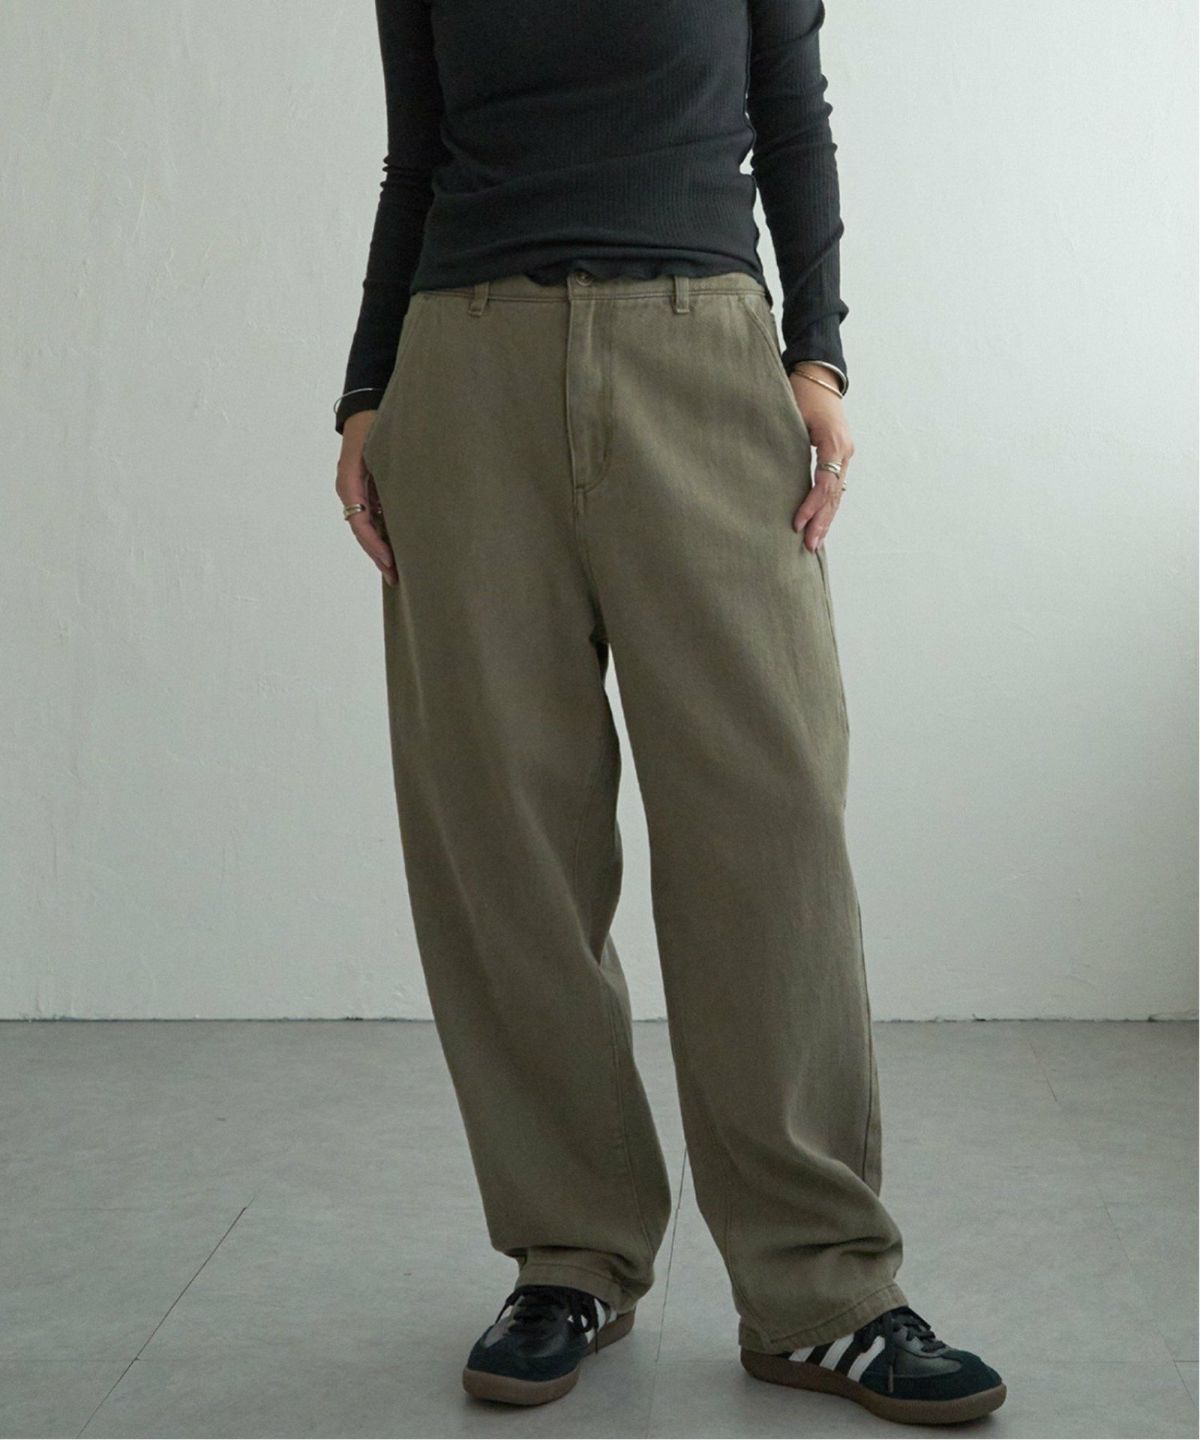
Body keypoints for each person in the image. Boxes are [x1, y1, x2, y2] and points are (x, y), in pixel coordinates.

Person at [332, 0, 1005, 1426]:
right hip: (466, 368)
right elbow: (416, 158)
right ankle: (569, 1255)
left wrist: (818, 356)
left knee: (770, 828)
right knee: (506, 844)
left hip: (702, 352)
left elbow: (792, 117)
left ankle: (823, 1290)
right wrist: (366, 391)